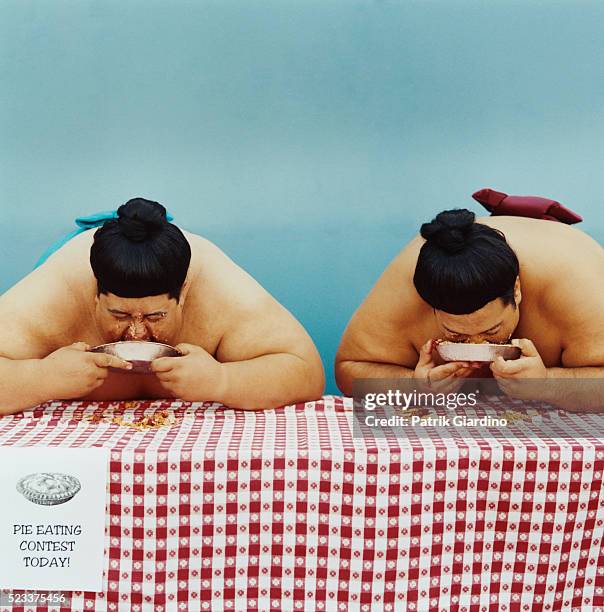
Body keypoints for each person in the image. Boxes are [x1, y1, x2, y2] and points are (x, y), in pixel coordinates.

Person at [0, 198, 325, 414]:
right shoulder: (56, 290)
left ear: (184, 295)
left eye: (156, 316)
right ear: (95, 296)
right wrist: (38, 377)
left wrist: (223, 380)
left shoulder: (219, 288)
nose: (137, 332)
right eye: (118, 314)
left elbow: (306, 371)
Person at [335, 209, 604, 411]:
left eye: (492, 329)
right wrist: (413, 386)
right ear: (429, 306)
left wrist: (548, 384)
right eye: (455, 333)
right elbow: (350, 372)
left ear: (518, 290)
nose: (478, 343)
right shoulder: (408, 286)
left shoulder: (577, 282)